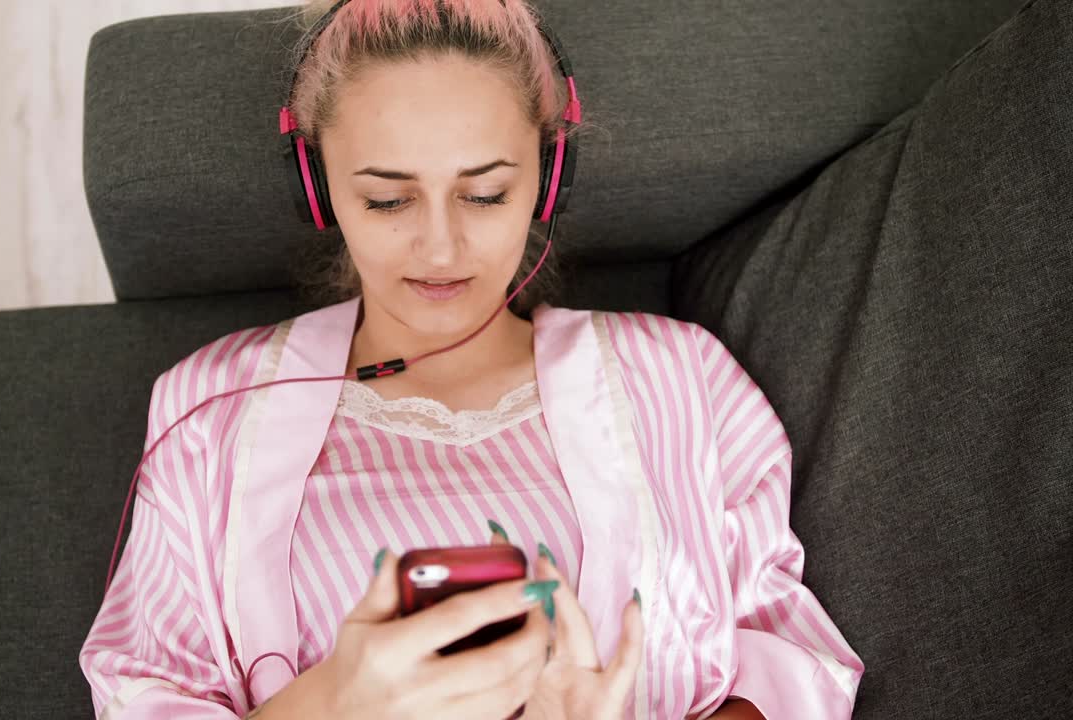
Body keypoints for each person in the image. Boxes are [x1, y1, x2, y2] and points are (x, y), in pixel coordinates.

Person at [78, 1, 863, 718]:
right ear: (317, 189)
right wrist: (329, 706)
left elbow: (791, 662)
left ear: (549, 178)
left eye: (484, 193)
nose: (442, 247)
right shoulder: (208, 405)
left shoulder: (680, 374)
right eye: (387, 200)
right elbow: (142, 692)